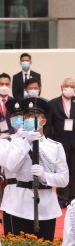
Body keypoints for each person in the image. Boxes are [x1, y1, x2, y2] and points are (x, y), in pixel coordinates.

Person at [0, 97, 69, 240]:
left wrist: (45, 177)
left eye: (35, 116)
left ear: (44, 121)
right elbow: (11, 166)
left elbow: (64, 179)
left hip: (45, 206)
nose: (31, 119)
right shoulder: (14, 142)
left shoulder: (55, 146)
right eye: (28, 116)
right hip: (17, 206)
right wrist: (27, 142)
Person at [47, 77, 75, 206]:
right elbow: (48, 125)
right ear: (61, 88)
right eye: (67, 86)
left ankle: (73, 198)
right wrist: (49, 141)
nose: (69, 88)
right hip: (59, 142)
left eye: (72, 86)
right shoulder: (53, 104)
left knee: (73, 170)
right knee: (61, 171)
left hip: (73, 142)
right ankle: (62, 198)